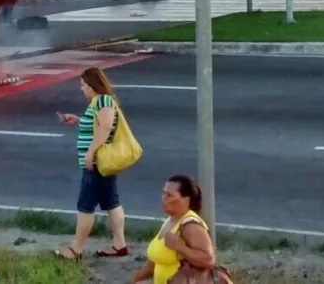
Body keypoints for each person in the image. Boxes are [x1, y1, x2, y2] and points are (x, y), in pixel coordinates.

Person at [56, 67, 128, 261]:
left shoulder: (102, 100)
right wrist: (79, 120)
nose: (81, 89)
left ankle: (76, 249)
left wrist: (90, 153)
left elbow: (105, 128)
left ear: (92, 85)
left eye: (83, 85)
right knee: (111, 202)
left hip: (96, 163)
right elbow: (98, 125)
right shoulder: (100, 101)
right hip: (101, 162)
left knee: (85, 206)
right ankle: (119, 244)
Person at [131, 176, 215, 284]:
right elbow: (154, 262)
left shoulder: (191, 226)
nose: (163, 198)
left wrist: (179, 247)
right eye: (163, 193)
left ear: (187, 199)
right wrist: (133, 280)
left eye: (169, 195)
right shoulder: (172, 220)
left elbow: (208, 260)